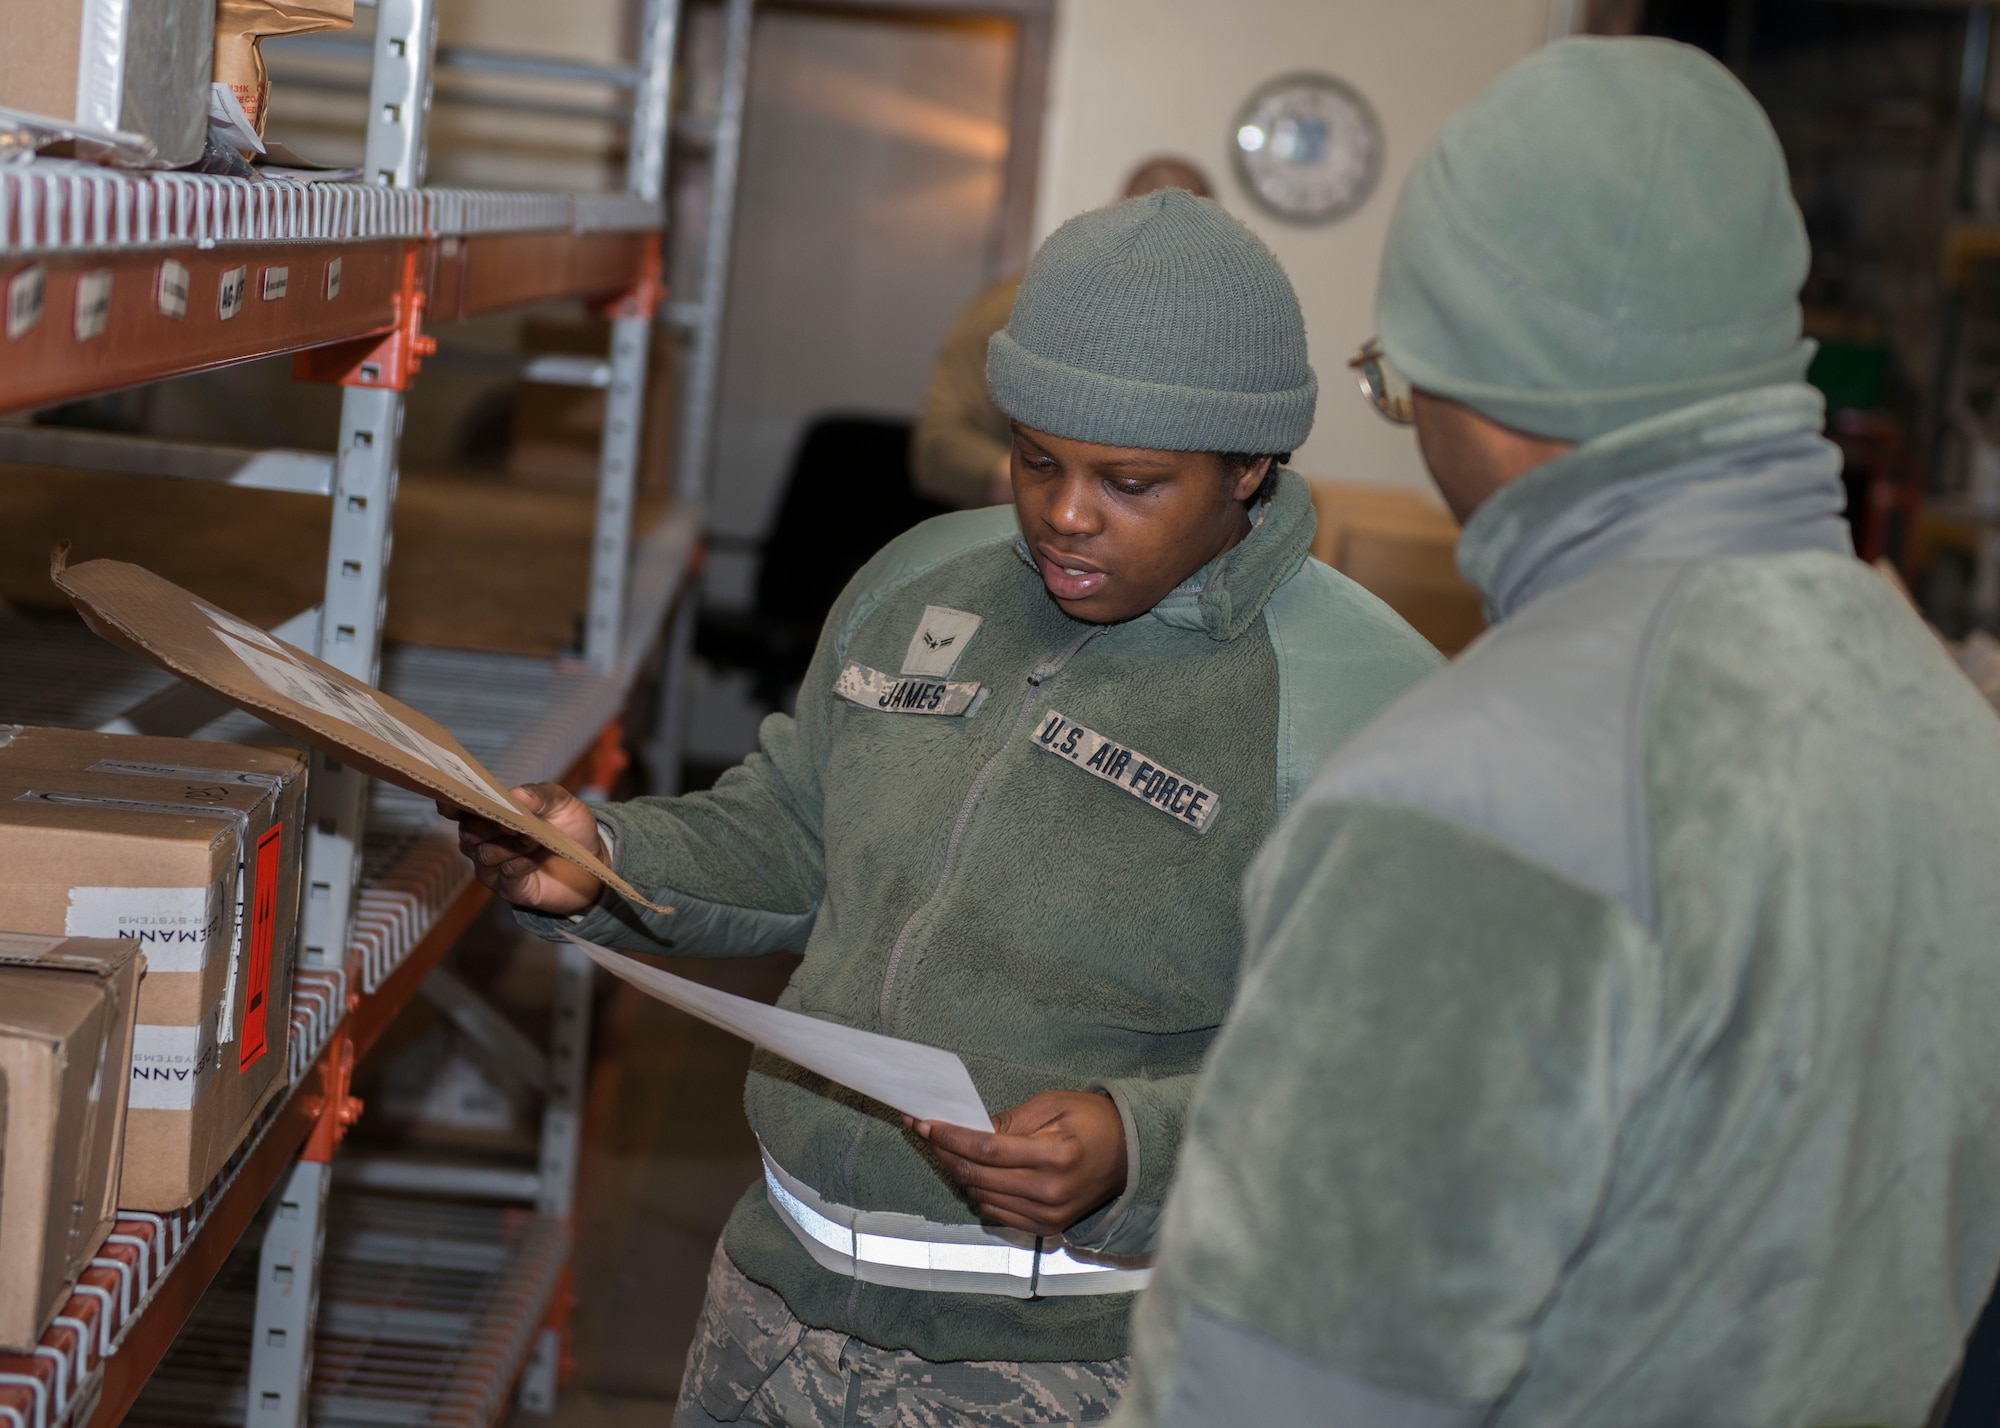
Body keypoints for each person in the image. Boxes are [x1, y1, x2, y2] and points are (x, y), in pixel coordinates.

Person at [1113, 38, 2000, 1428]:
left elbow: (1282, 1387)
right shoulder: (1944, 723)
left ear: (1473, 383)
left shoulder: (1464, 797)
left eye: (1394, 383)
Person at [452, 189, 1442, 1428]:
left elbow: (1389, 1067)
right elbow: (793, 833)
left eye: (1130, 482)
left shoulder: (1358, 698)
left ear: (1250, 467)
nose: (1065, 517)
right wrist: (602, 858)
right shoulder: (922, 578)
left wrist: (1142, 1147)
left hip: (1075, 1367)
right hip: (774, 1302)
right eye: (1037, 460)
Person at [912, 157, 1212, 511]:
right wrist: (1043, 481)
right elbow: (938, 448)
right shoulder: (1014, 308)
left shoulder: (1207, 334)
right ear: (1112, 216)